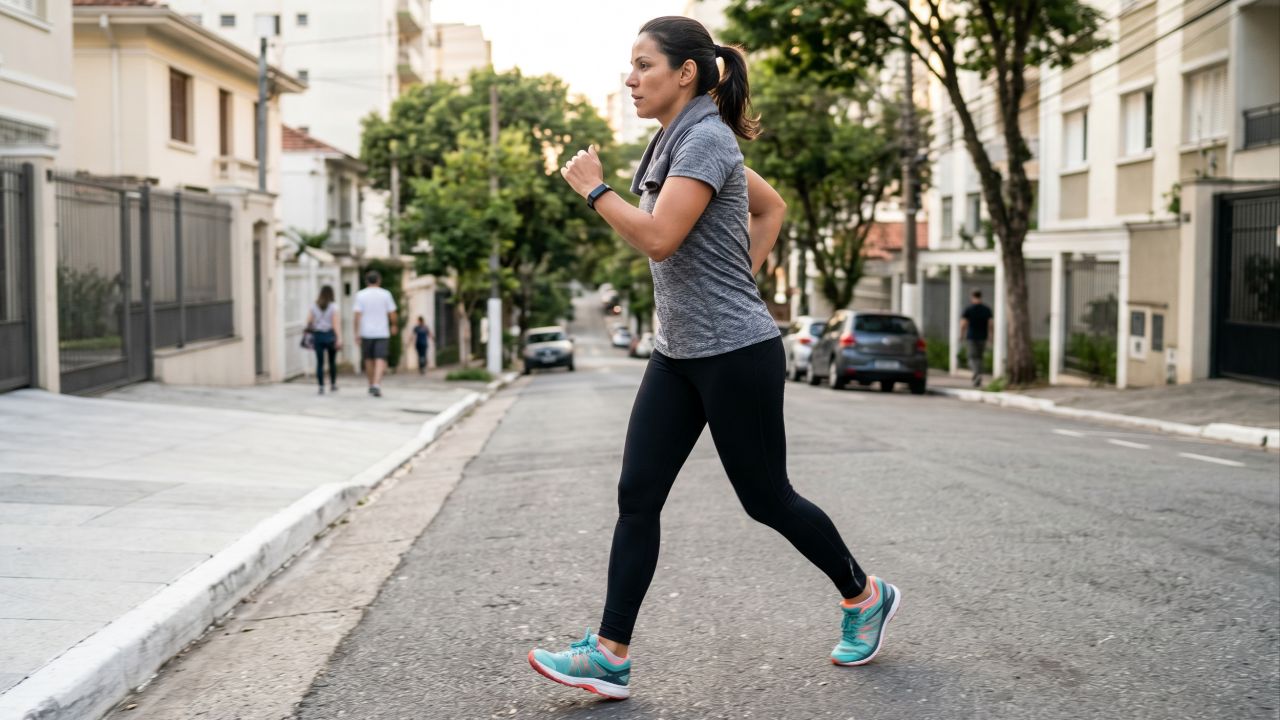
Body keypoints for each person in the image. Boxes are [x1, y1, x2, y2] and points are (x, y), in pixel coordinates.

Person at [527, 17, 899, 701]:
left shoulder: (704, 137)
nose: (631, 79)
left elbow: (663, 238)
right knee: (637, 496)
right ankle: (609, 653)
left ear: (685, 73)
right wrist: (741, 273)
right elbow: (769, 206)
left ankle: (864, 593)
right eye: (629, 67)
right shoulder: (677, 139)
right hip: (677, 353)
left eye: (643, 65)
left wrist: (594, 189)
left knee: (767, 500)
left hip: (735, 353)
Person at [352, 270, 397, 398]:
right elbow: (392, 312)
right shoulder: (386, 294)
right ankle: (376, 384)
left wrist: (356, 332)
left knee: (369, 359)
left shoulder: (360, 295)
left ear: (366, 281)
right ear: (379, 280)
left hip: (366, 332)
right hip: (382, 331)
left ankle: (371, 384)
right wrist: (394, 325)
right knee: (380, 358)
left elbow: (357, 315)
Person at [306, 285, 342, 394]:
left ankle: (321, 386)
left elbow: (309, 321)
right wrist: (339, 338)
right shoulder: (334, 307)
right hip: (330, 335)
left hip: (318, 336)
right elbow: (335, 324)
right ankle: (333, 384)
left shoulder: (313, 306)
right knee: (331, 362)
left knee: (320, 362)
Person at [960, 289, 994, 387]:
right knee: (980, 358)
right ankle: (978, 374)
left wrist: (961, 335)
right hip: (983, 337)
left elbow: (963, 324)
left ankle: (976, 374)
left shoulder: (969, 309)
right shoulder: (986, 309)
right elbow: (991, 324)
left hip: (971, 337)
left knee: (971, 357)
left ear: (972, 296)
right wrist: (991, 336)